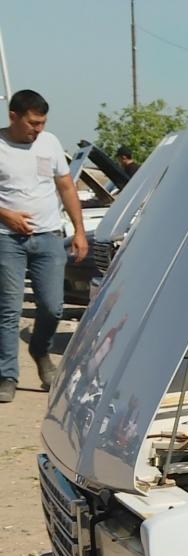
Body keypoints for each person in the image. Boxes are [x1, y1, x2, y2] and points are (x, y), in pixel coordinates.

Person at [0, 89, 88, 403]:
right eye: (32, 122)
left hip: (49, 237)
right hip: (7, 240)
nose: (37, 129)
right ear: (13, 116)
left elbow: (66, 186)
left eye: (42, 123)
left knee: (53, 307)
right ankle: (7, 375)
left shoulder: (49, 143)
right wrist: (6, 214)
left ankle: (40, 350)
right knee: (8, 310)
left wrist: (79, 231)